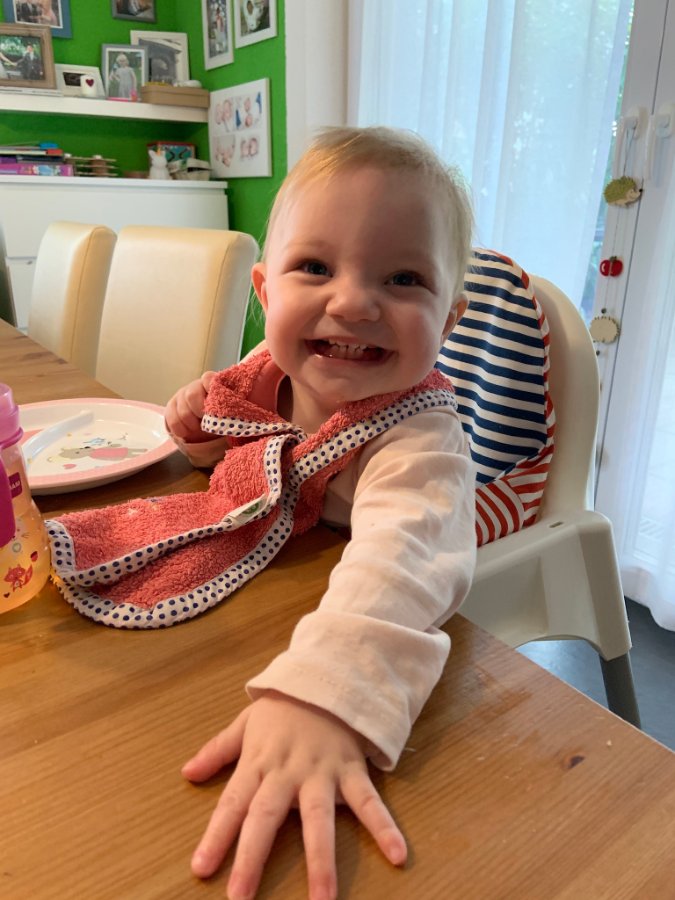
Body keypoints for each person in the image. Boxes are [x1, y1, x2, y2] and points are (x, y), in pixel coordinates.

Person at [165, 125, 476, 900]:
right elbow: (236, 452)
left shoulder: (418, 436)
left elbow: (401, 555)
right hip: (279, 588)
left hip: (370, 598)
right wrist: (196, 427)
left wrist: (325, 691)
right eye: (314, 267)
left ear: (448, 319)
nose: (352, 301)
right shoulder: (268, 372)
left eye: (403, 278)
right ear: (266, 291)